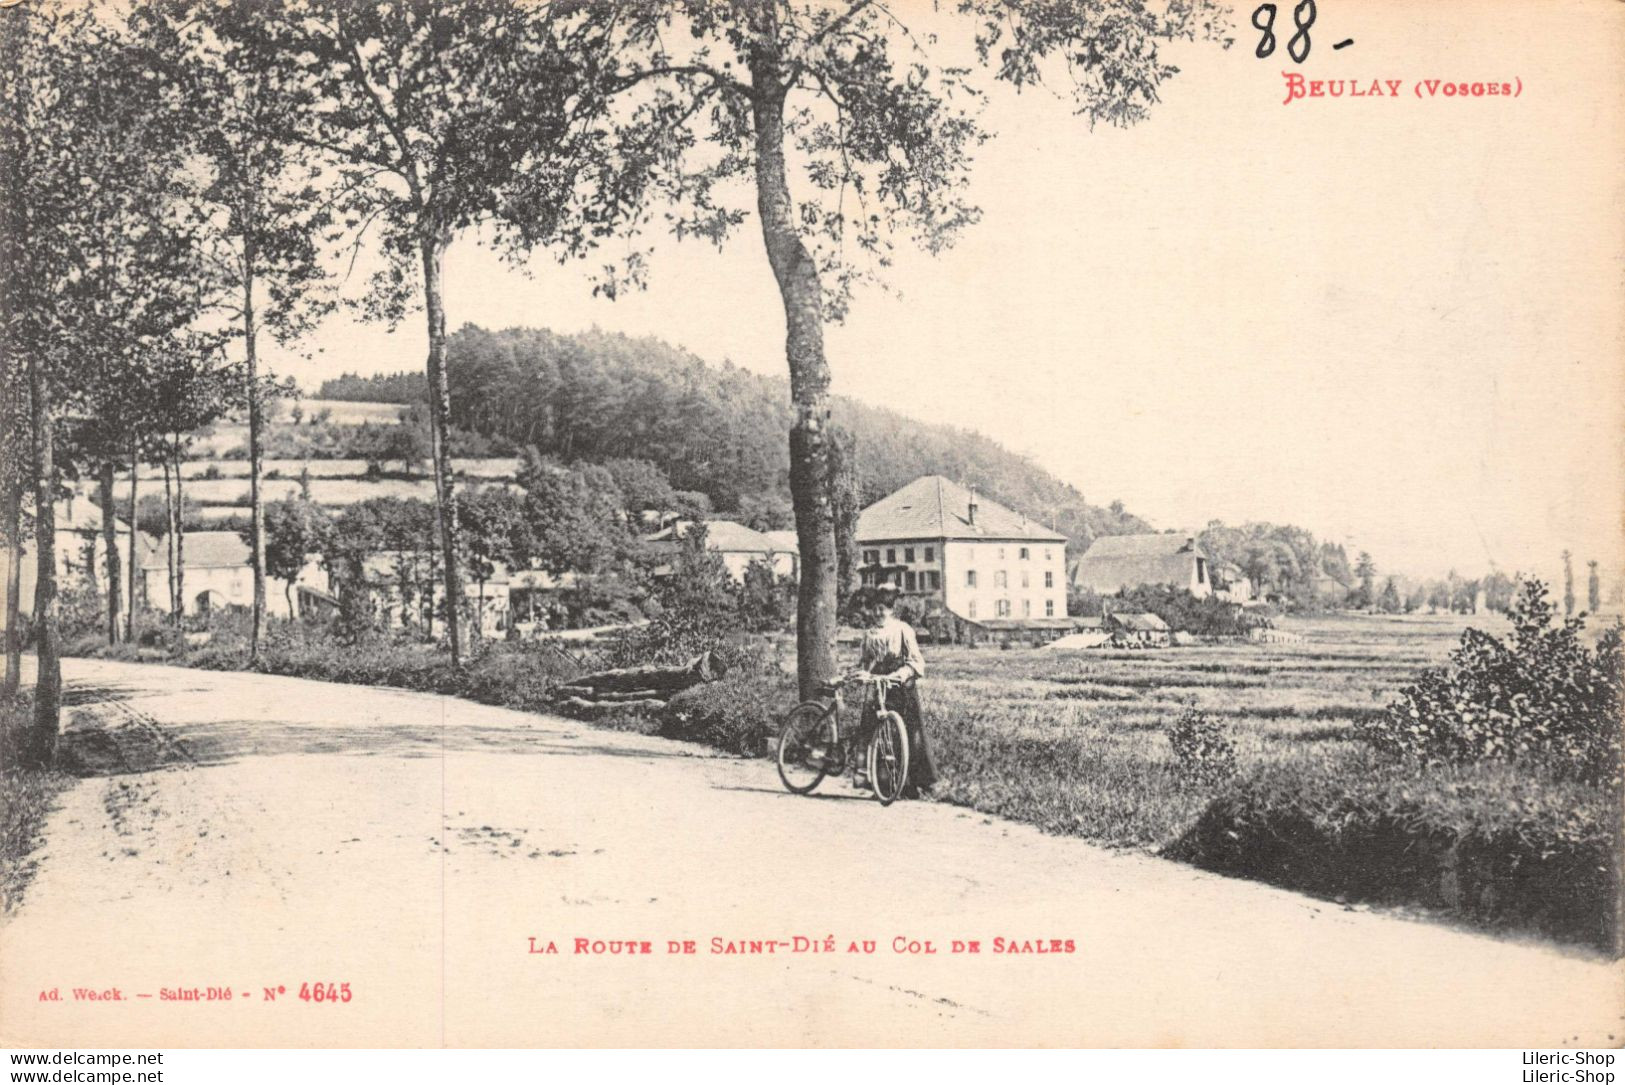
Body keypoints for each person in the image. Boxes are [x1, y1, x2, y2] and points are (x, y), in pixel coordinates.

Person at [853, 583, 938, 799]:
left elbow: (916, 661)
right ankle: (883, 784)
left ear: (891, 610)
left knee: (908, 734)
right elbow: (866, 661)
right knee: (876, 732)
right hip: (878, 686)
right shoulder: (869, 634)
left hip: (901, 687)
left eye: (883, 608)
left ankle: (912, 784)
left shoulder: (902, 629)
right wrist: (861, 673)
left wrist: (900, 674)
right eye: (875, 609)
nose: (879, 613)